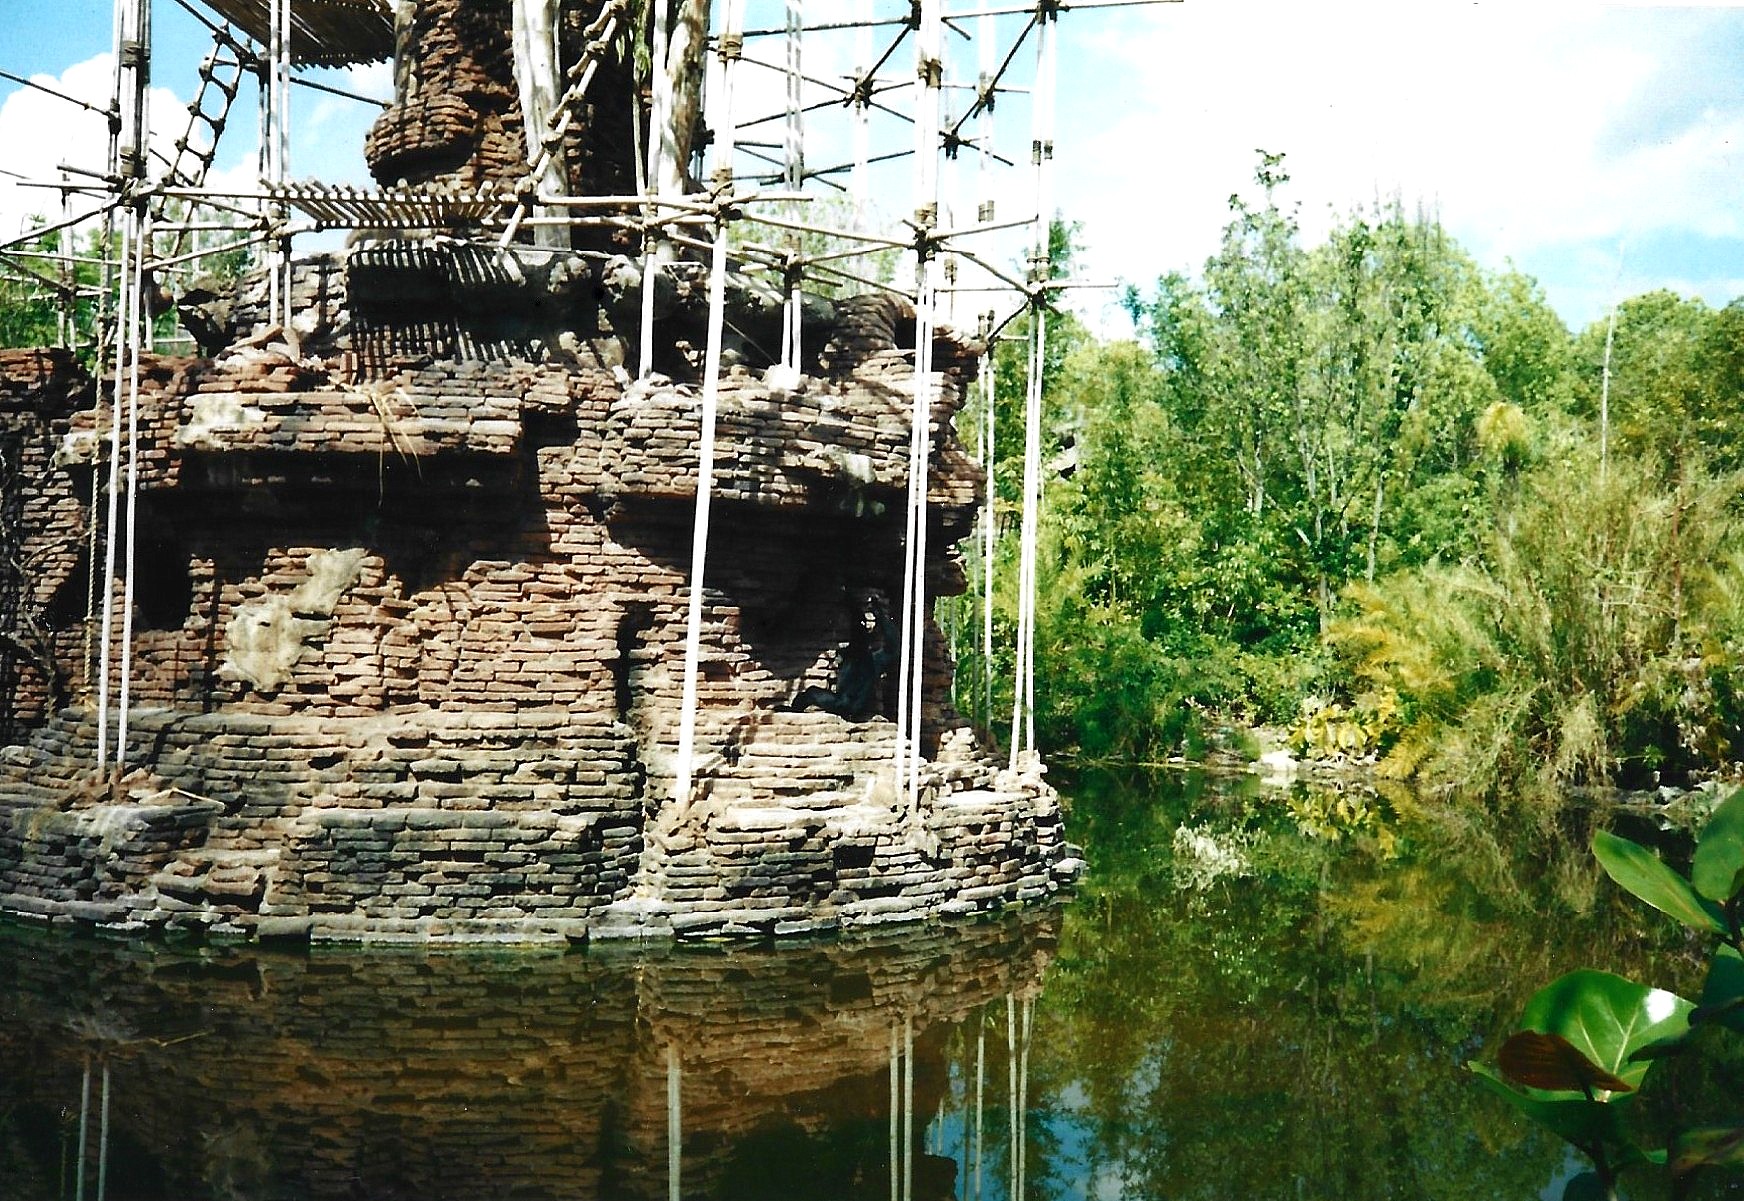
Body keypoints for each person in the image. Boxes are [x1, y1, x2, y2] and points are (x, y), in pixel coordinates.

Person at [790, 590, 894, 720]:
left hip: (844, 704)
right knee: (813, 693)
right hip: (856, 706)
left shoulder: (864, 656)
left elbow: (858, 630)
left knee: (811, 693)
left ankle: (793, 709)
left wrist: (851, 601)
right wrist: (879, 614)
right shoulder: (875, 660)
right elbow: (891, 644)